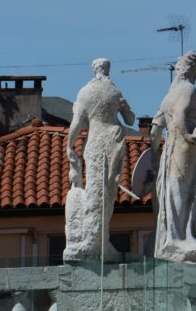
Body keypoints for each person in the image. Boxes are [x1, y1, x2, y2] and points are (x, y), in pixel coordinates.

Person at [63, 58, 135, 262]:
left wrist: (70, 145)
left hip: (96, 141)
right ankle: (96, 239)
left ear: (94, 69)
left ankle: (96, 239)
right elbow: (130, 120)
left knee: (97, 188)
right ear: (108, 69)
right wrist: (123, 106)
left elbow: (76, 123)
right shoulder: (115, 92)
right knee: (108, 190)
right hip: (113, 140)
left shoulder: (85, 93)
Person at [151, 50, 196, 262]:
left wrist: (154, 153)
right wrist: (192, 138)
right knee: (191, 192)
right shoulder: (188, 89)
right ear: (192, 68)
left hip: (170, 148)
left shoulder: (169, 94)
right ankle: (184, 237)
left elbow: (155, 128)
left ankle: (181, 236)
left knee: (179, 189)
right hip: (185, 147)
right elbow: (180, 115)